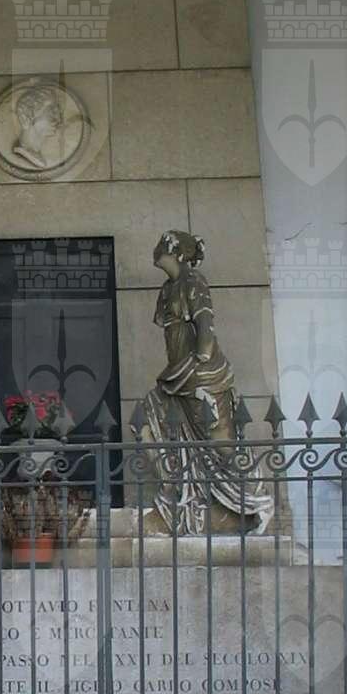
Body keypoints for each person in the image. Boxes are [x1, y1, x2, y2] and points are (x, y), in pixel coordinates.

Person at [142, 229, 272, 535]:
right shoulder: (167, 289)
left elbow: (204, 322)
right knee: (148, 419)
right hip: (175, 374)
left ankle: (253, 501)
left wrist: (201, 357)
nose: (157, 248)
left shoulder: (193, 280)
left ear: (176, 251)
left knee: (218, 442)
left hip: (201, 373)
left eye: (163, 244)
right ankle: (179, 496)